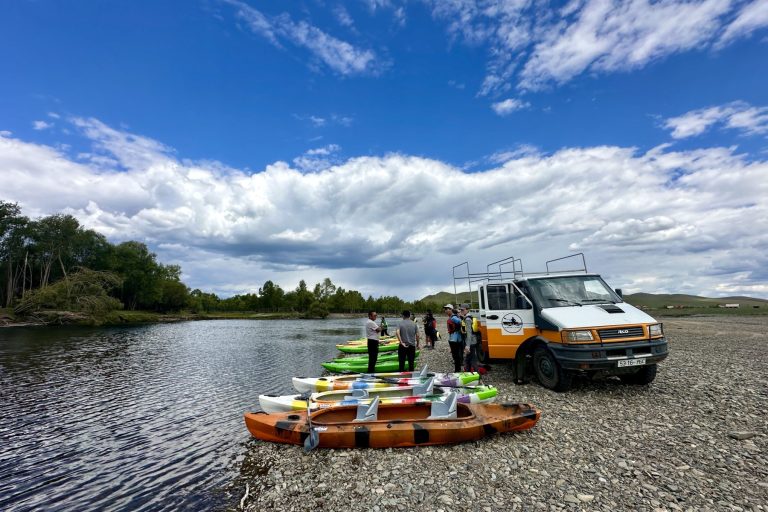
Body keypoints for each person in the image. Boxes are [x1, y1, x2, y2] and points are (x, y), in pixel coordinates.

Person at [460, 304, 481, 373]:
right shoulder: (468, 317)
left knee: (472, 360)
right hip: (472, 341)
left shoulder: (468, 319)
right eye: (460, 310)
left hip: (470, 342)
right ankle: (468, 373)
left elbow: (469, 333)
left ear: (467, 309)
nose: (461, 311)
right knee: (468, 359)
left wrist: (467, 345)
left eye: (463, 310)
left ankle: (478, 377)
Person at [444, 304, 464, 372]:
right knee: (456, 356)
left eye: (447, 309)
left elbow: (461, 322)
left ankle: (457, 371)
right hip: (454, 339)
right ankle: (457, 370)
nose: (445, 310)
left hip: (455, 339)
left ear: (451, 309)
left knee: (456, 356)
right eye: (445, 309)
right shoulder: (452, 317)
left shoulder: (453, 318)